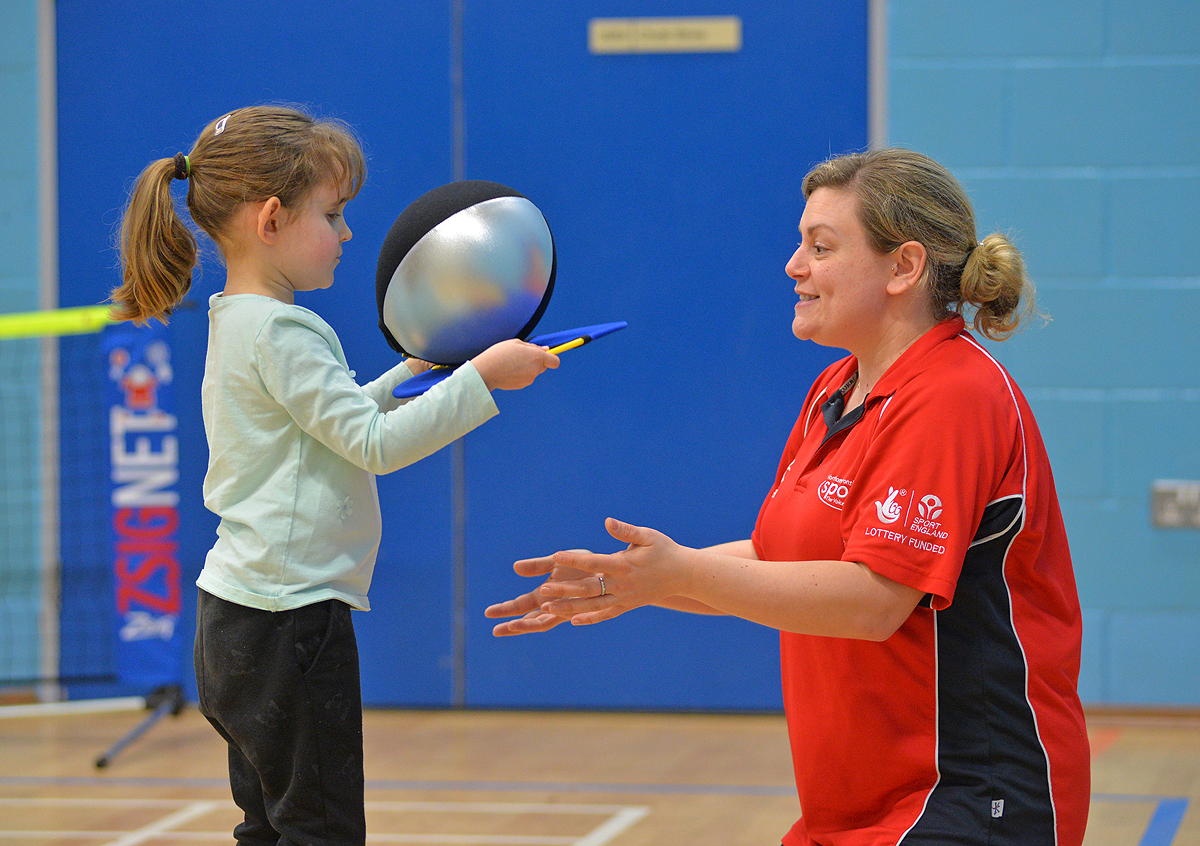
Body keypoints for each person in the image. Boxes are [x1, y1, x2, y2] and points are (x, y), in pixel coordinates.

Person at [485, 148, 1090, 846]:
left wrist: (679, 572)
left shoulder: (955, 393)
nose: (792, 266)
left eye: (820, 247)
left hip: (967, 798)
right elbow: (776, 560)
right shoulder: (835, 389)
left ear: (905, 267)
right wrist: (635, 582)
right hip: (852, 806)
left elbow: (872, 602)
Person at [111, 104, 559, 845]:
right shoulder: (285, 330)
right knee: (319, 829)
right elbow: (372, 445)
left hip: (235, 622)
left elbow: (328, 425)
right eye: (334, 212)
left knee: (270, 825)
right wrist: (481, 379)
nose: (347, 233)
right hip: (289, 624)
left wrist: (416, 371)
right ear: (272, 220)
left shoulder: (241, 319)